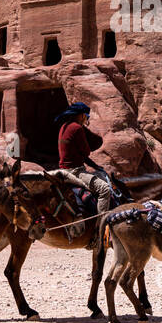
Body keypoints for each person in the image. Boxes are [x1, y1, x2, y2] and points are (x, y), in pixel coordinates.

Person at [49, 102, 116, 244]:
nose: (87, 119)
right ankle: (100, 231)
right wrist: (98, 167)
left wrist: (96, 167)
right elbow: (86, 152)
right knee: (104, 189)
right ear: (80, 115)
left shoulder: (64, 127)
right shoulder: (77, 128)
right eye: (86, 116)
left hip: (63, 170)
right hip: (75, 172)